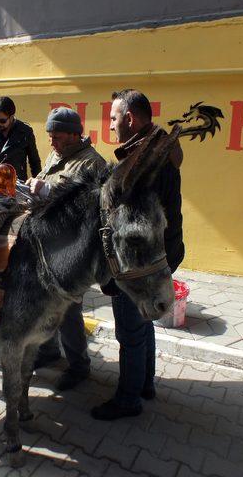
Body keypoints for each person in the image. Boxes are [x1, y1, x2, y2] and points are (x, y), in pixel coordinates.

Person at [91, 89, 184, 421]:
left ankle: (129, 398)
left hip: (141, 262)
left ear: (130, 119)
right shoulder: (156, 149)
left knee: (130, 330)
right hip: (162, 253)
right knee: (144, 324)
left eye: (114, 119)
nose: (112, 126)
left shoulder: (145, 161)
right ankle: (145, 383)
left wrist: (115, 276)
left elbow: (131, 226)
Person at [26, 107, 107, 391]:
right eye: (49, 136)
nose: (51, 142)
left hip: (73, 252)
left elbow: (89, 211)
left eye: (56, 136)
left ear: (75, 135)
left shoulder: (91, 164)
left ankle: (79, 365)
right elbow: (45, 178)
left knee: (69, 311)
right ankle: (48, 352)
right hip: (47, 246)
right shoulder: (57, 155)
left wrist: (47, 192)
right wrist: (33, 185)